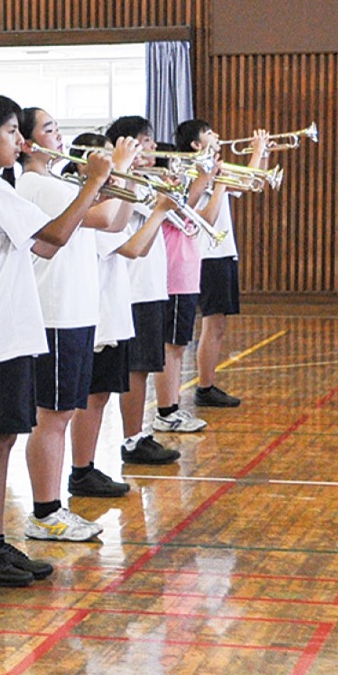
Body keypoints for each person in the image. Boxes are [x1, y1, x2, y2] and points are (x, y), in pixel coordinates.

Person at [0, 92, 107, 587]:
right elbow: (56, 237)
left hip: (12, 332)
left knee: (4, 440)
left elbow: (41, 241)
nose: (20, 141)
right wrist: (93, 184)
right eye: (13, 132)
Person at [16, 109, 137, 543]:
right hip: (54, 314)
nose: (60, 136)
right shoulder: (36, 185)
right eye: (48, 129)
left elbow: (118, 222)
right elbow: (104, 218)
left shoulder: (61, 185)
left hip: (78, 313)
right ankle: (45, 513)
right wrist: (116, 169)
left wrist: (125, 179)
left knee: (63, 413)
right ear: (28, 145)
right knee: (52, 416)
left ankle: (52, 508)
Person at [68, 133, 175, 496]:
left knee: (99, 396)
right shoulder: (84, 206)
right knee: (92, 396)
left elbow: (124, 230)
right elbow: (133, 247)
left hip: (112, 312)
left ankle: (88, 467)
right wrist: (160, 210)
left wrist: (126, 182)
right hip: (95, 314)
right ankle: (82, 470)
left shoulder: (103, 205)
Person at [106, 116, 182, 466]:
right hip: (135, 289)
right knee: (136, 368)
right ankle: (132, 438)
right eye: (145, 143)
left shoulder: (144, 183)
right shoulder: (126, 184)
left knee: (145, 366)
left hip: (151, 287)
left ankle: (137, 434)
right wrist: (163, 198)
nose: (152, 149)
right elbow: (149, 223)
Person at [152, 124, 226, 434]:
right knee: (172, 347)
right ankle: (167, 411)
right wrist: (209, 178)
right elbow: (187, 207)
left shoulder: (172, 190)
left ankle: (172, 408)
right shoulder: (158, 191)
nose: (175, 172)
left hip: (186, 274)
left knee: (177, 345)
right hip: (174, 274)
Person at [195, 128, 272, 408]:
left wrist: (263, 155)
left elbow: (255, 183)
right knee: (212, 324)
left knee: (218, 325)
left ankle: (207, 384)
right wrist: (256, 150)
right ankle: (204, 387)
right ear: (195, 144)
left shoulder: (216, 168)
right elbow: (251, 178)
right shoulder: (199, 171)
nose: (216, 135)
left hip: (222, 253)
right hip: (209, 255)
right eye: (208, 133)